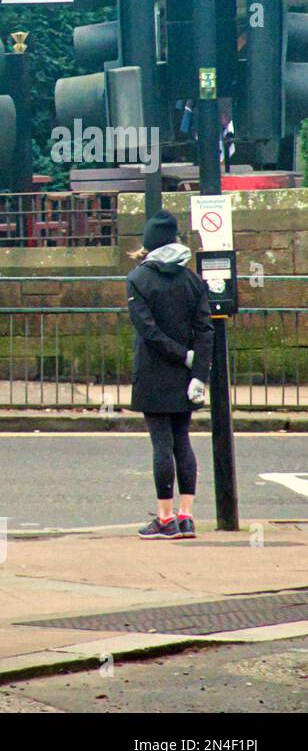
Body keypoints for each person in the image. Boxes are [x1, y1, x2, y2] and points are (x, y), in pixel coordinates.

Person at [127, 210, 214, 540]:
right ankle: (186, 516)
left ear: (149, 245)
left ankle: (164, 519)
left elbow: (148, 332)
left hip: (152, 373)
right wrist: (198, 371)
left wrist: (182, 355)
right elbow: (205, 329)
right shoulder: (192, 279)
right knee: (183, 443)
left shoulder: (138, 279)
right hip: (186, 377)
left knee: (161, 444)